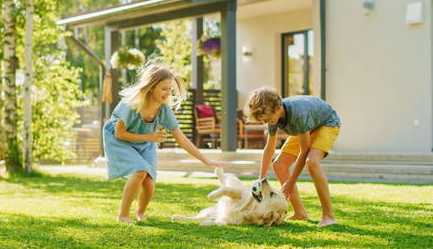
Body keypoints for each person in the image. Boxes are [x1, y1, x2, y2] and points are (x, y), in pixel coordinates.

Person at [103, 59, 227, 223]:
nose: (167, 93)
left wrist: (206, 161)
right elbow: (120, 134)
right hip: (118, 139)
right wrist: (149, 137)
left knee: (149, 180)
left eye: (169, 89)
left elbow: (181, 139)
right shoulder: (132, 105)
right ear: (151, 87)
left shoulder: (163, 110)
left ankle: (141, 213)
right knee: (139, 171)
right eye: (163, 89)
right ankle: (123, 215)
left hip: (144, 141)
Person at [245, 86, 341, 227]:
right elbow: (270, 147)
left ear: (278, 108)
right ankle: (300, 213)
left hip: (327, 123)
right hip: (305, 128)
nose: (268, 122)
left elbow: (304, 151)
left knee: (312, 162)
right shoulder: (272, 117)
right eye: (264, 120)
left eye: (268, 118)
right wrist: (261, 179)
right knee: (279, 165)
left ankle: (329, 216)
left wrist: (290, 182)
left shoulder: (298, 114)